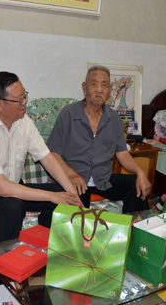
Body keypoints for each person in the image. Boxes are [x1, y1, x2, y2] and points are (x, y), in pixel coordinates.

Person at [0, 72, 83, 244]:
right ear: (0, 104)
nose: (25, 103)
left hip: (14, 189)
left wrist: (71, 194)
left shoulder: (24, 122)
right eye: (19, 99)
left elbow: (47, 158)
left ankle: (46, 244)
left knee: (74, 194)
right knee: (12, 206)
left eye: (25, 96)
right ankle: (4, 258)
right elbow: (2, 188)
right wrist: (52, 196)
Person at [46, 65, 152, 214]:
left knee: (135, 186)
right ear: (84, 87)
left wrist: (140, 173)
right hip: (74, 179)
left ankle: (134, 226)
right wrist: (71, 175)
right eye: (94, 84)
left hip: (103, 179)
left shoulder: (114, 119)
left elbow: (122, 153)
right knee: (77, 209)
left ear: (109, 90)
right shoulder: (68, 114)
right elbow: (53, 153)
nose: (99, 90)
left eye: (104, 85)